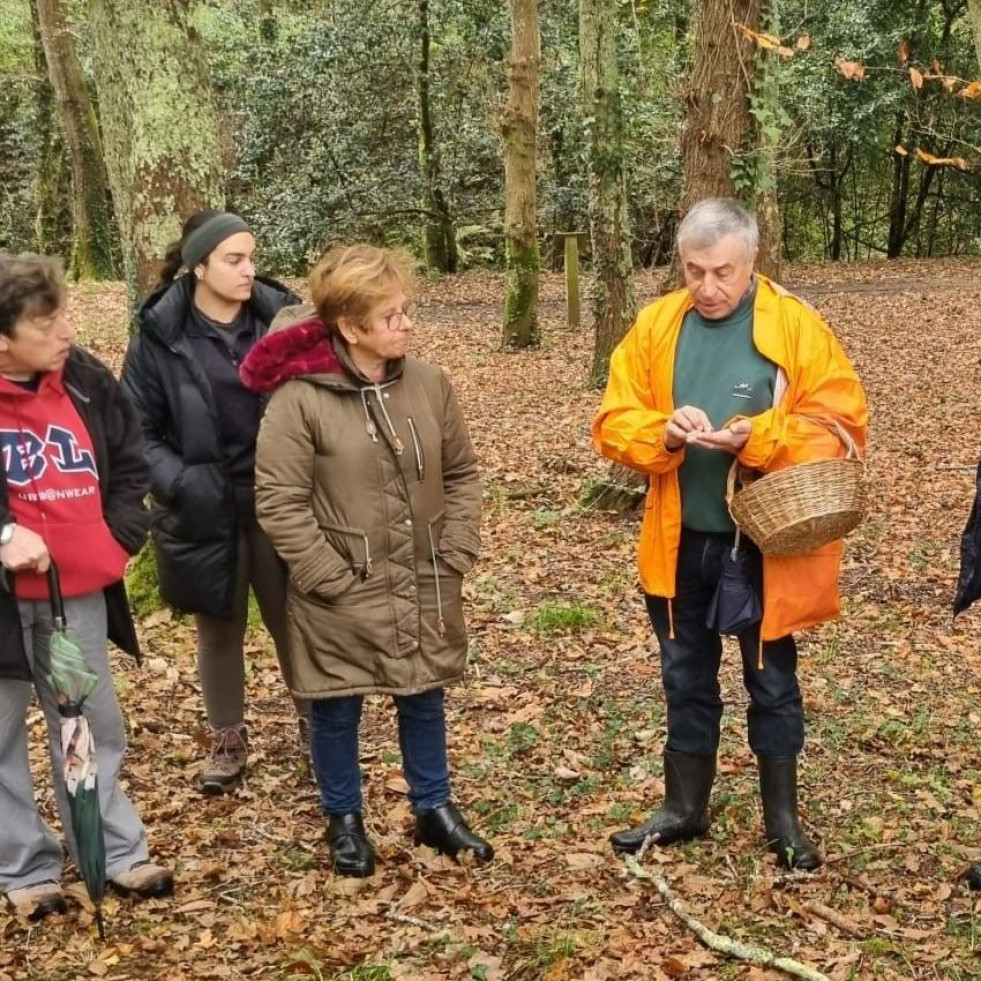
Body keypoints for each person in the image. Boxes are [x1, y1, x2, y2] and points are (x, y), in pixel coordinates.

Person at [593, 198, 868, 870]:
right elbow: (612, 420)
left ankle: (783, 820)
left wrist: (761, 435)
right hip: (677, 537)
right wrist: (660, 431)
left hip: (762, 544)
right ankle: (684, 808)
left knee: (769, 678)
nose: (707, 287)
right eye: (694, 270)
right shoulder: (656, 325)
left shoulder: (794, 326)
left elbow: (841, 429)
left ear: (751, 262)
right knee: (683, 673)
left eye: (722, 272)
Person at [239, 244, 492, 877]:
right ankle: (344, 820)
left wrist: (455, 547)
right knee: (336, 702)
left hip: (425, 573)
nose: (407, 324)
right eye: (391, 316)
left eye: (407, 310)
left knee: (423, 691)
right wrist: (326, 573)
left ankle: (433, 809)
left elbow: (460, 472)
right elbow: (278, 499)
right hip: (341, 585)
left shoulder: (429, 384)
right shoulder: (299, 400)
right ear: (350, 328)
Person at [0, 254, 173, 921]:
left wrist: (116, 539)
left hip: (71, 603)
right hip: (3, 609)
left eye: (65, 313)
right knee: (2, 735)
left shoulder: (84, 378)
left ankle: (110, 853)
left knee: (83, 724)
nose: (67, 330)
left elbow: (132, 463)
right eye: (47, 322)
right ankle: (24, 867)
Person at [121, 210, 308, 795]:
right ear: (198, 266)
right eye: (234, 259)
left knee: (296, 622)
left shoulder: (281, 321)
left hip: (281, 499)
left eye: (252, 257)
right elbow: (136, 433)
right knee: (219, 627)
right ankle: (227, 738)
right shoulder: (159, 336)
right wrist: (179, 483)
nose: (249, 269)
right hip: (204, 504)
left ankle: (318, 725)